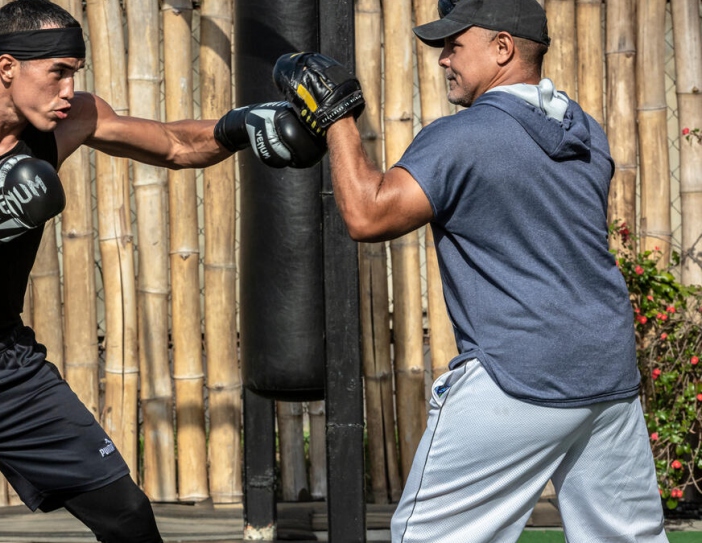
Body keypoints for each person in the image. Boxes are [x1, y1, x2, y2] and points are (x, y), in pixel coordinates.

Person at [0, 1, 324, 542]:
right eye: (57, 73)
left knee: (128, 517)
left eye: (74, 74)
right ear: (7, 67)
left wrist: (242, 126)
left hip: (10, 367)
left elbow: (175, 146)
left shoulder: (68, 120)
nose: (68, 91)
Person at [273, 0, 667, 541]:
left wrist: (337, 117)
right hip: (608, 377)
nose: (443, 61)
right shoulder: (586, 133)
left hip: (516, 375)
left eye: (455, 46)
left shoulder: (464, 136)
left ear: (502, 48)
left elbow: (367, 213)